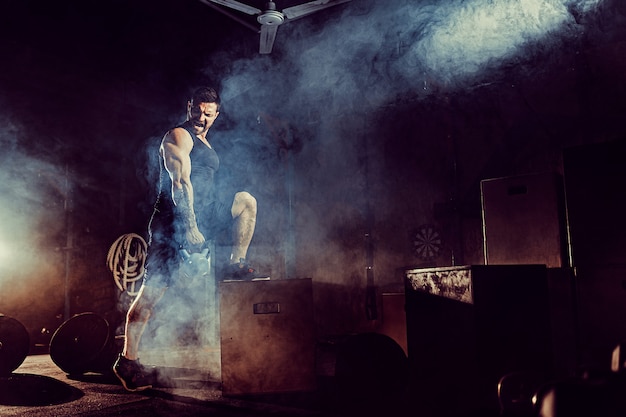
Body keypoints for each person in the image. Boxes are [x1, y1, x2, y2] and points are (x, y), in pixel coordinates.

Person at [113, 86, 261, 391]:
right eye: (197, 110)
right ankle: (128, 361)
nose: (201, 117)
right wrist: (190, 226)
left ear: (217, 114)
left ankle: (237, 263)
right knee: (153, 293)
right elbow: (180, 182)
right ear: (188, 107)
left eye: (208, 112)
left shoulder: (206, 141)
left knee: (246, 201)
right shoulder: (179, 136)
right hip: (173, 221)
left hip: (203, 214)